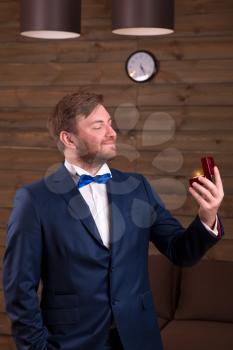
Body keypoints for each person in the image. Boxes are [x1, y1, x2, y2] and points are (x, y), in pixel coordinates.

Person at [3, 91, 224, 350]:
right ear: (68, 139)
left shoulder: (137, 187)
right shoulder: (34, 199)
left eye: (110, 123)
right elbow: (19, 289)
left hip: (139, 337)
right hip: (71, 342)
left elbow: (180, 251)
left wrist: (207, 216)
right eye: (99, 126)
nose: (112, 132)